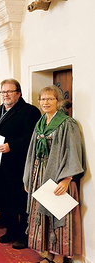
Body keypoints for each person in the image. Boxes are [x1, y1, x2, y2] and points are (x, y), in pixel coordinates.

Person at [23, 85, 84, 263]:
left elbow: (73, 151)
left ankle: (58, 258)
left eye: (50, 99)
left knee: (57, 215)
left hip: (57, 176)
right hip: (38, 176)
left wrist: (66, 179)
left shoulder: (67, 123)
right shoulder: (41, 122)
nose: (45, 102)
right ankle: (48, 255)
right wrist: (28, 177)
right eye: (42, 99)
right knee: (42, 216)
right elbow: (31, 151)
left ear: (58, 101)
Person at [0, 78, 41, 249]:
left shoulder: (29, 111)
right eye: (3, 92)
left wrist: (11, 146)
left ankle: (24, 235)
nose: (5, 95)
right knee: (4, 200)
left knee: (20, 201)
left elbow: (32, 137)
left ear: (18, 93)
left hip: (18, 164)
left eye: (9, 91)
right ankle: (11, 230)